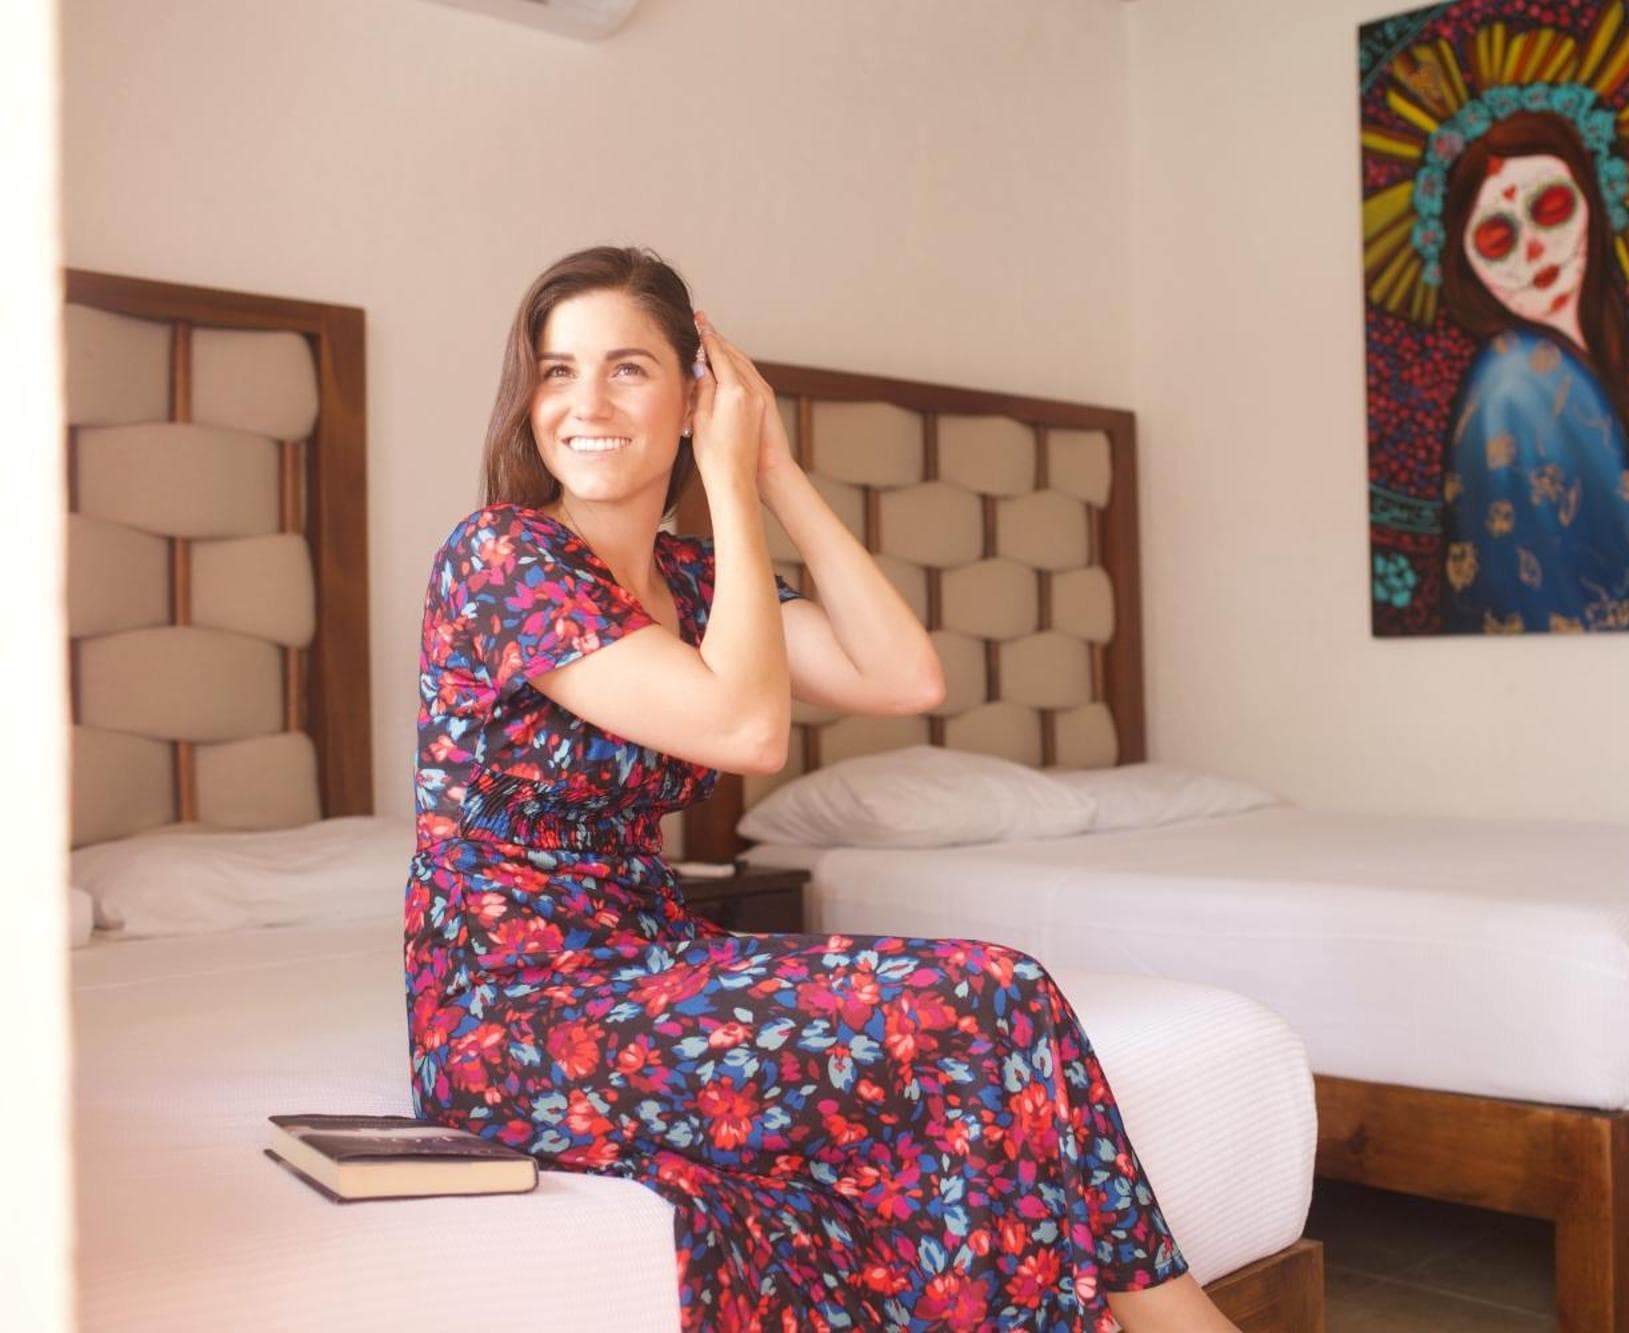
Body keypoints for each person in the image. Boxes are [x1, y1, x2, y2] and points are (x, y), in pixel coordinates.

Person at [402, 246, 1238, 1330]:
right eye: (557, 372)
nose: (586, 403)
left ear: (695, 398)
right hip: (514, 1011)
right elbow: (747, 728)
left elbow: (904, 676)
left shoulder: (695, 578)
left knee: (1004, 1004)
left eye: (627, 369)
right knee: (983, 999)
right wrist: (727, 492)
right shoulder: (500, 555)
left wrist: (775, 472)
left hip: (652, 959)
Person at [1436, 110, 1629, 634]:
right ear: (1466, 264)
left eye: (1552, 208)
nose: (1535, 250)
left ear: (1591, 201)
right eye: (1498, 239)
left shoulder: (1566, 367)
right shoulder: (1516, 385)